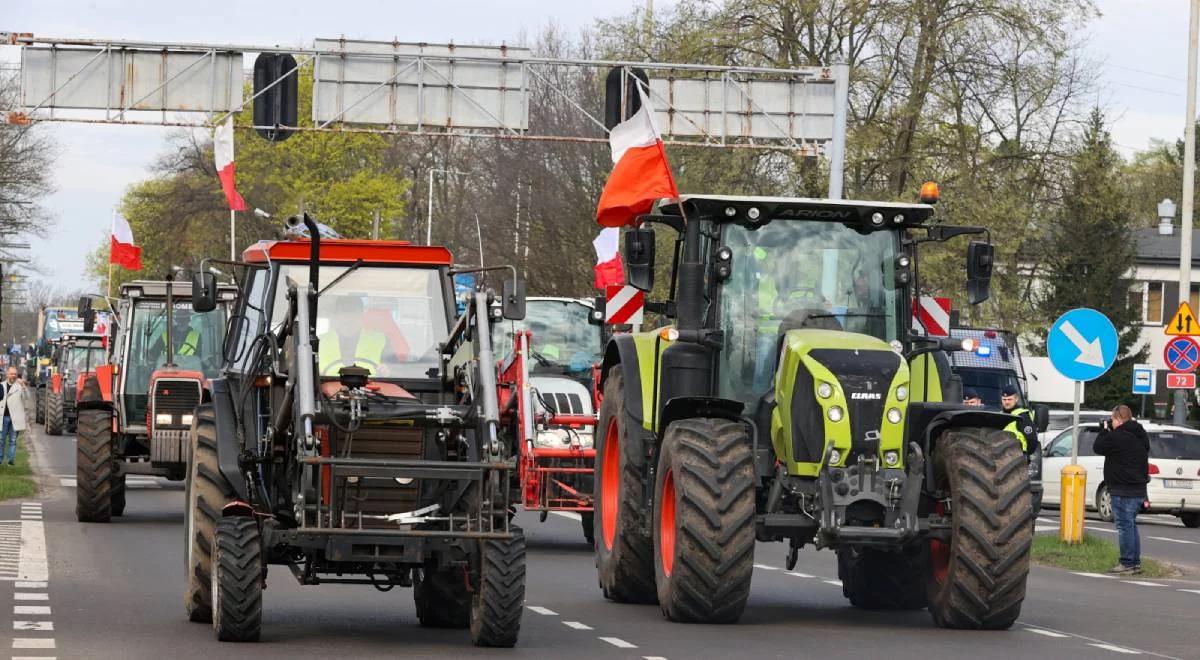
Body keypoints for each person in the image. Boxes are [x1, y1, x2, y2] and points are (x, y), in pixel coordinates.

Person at [1094, 405, 1149, 575]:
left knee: (1124, 526)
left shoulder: (1117, 436)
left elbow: (1098, 447)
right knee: (1131, 525)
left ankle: (1126, 563)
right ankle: (1135, 563)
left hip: (1122, 489)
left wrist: (1104, 431)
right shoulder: (1141, 434)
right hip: (1139, 489)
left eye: (1113, 419)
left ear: (1117, 419)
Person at [318, 295, 393, 376]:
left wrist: (388, 370)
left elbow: (395, 369)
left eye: (354, 312)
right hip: (325, 386)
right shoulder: (319, 342)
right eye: (344, 313)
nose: (349, 318)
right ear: (336, 316)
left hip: (371, 386)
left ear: (361, 315)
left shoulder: (381, 340)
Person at [0, 367, 29, 466]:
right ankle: (0, 460)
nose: (13, 376)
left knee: (12, 440)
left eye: (15, 374)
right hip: (3, 417)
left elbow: (27, 397)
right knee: (1, 440)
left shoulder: (19, 386)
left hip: (15, 418)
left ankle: (10, 461)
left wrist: (24, 386)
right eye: (11, 374)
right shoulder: (1, 385)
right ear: (7, 374)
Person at [1000, 385, 1037, 454]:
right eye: (1004, 399)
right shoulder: (999, 414)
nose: (1007, 402)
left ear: (1016, 399)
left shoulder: (1022, 415)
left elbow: (1032, 440)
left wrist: (1026, 457)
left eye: (1009, 399)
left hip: (1018, 455)